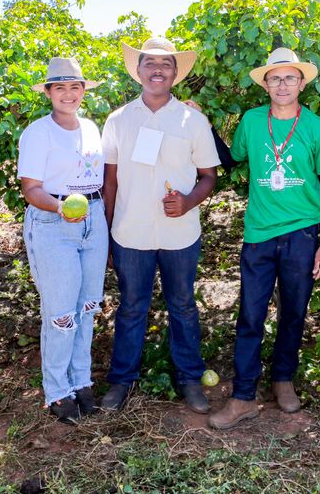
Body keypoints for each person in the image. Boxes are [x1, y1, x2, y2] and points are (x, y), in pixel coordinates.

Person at [186, 48, 320, 429]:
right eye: (275, 78)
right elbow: (231, 159)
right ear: (265, 84)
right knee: (250, 316)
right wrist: (204, 124)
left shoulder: (317, 127)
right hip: (259, 234)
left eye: (290, 78)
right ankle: (243, 397)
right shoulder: (253, 122)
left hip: (303, 233)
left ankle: (283, 380)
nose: (282, 84)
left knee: (294, 313)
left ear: (302, 83)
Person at [99, 36, 220, 414]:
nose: (157, 69)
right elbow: (110, 182)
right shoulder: (119, 121)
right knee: (132, 307)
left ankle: (189, 379)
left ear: (175, 73)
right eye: (149, 63)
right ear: (138, 71)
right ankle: (122, 380)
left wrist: (187, 202)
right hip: (129, 232)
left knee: (182, 305)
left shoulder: (193, 120)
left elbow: (209, 176)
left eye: (165, 64)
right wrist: (105, 236)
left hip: (179, 234)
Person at [18, 57, 108, 424]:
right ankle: (57, 391)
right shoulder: (38, 133)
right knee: (60, 314)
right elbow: (31, 189)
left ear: (83, 91)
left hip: (93, 219)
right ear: (49, 93)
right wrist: (60, 209)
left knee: (87, 305)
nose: (68, 94)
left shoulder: (90, 127)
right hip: (55, 223)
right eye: (60, 88)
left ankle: (81, 381)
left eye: (75, 87)